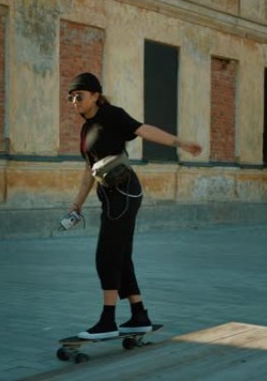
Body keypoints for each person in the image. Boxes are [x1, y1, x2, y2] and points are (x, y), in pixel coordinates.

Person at [67, 72, 202, 339]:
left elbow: (144, 129)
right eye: (71, 97)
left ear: (95, 95)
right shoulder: (86, 129)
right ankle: (139, 315)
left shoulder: (112, 115)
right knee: (121, 254)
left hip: (125, 194)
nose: (74, 101)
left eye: (79, 96)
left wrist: (180, 143)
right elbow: (88, 172)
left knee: (106, 255)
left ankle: (107, 321)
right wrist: (76, 205)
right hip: (109, 197)